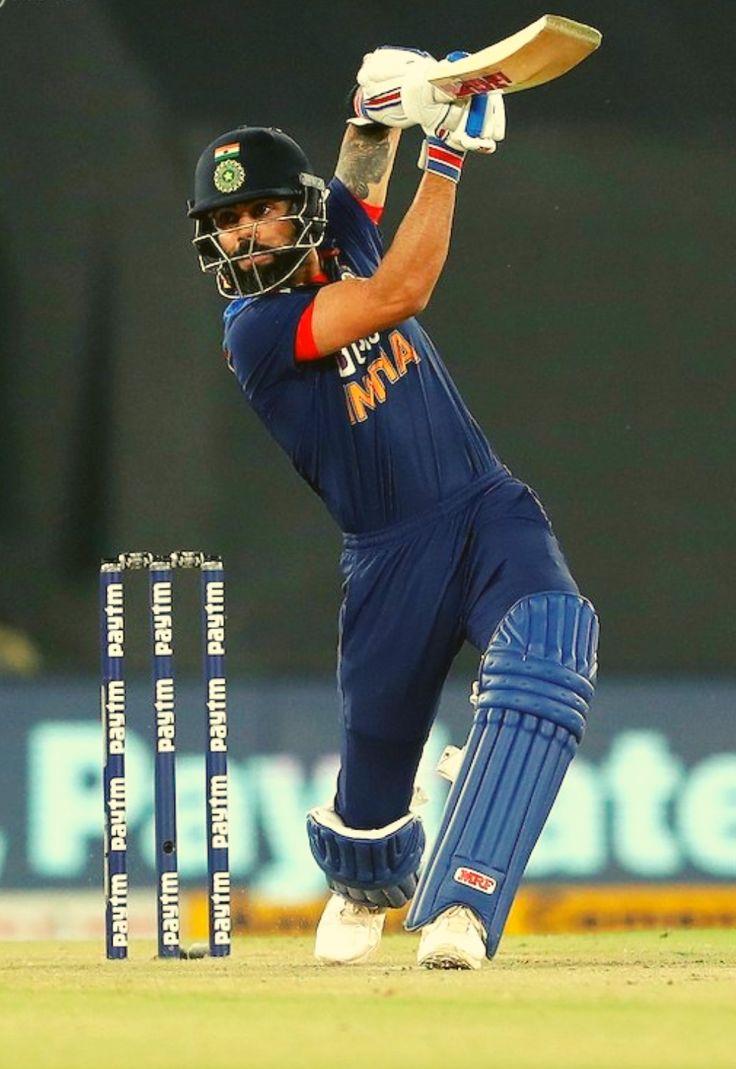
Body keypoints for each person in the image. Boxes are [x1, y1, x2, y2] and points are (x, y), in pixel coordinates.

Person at [188, 48, 599, 969]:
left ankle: (464, 907)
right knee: (368, 826)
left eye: (258, 212)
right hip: (390, 559)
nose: (244, 235)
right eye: (227, 223)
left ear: (298, 207)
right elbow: (401, 293)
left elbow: (365, 147)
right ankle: (367, 880)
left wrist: (390, 94)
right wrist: (446, 151)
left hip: (485, 508)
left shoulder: (337, 229)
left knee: (552, 646)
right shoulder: (255, 331)